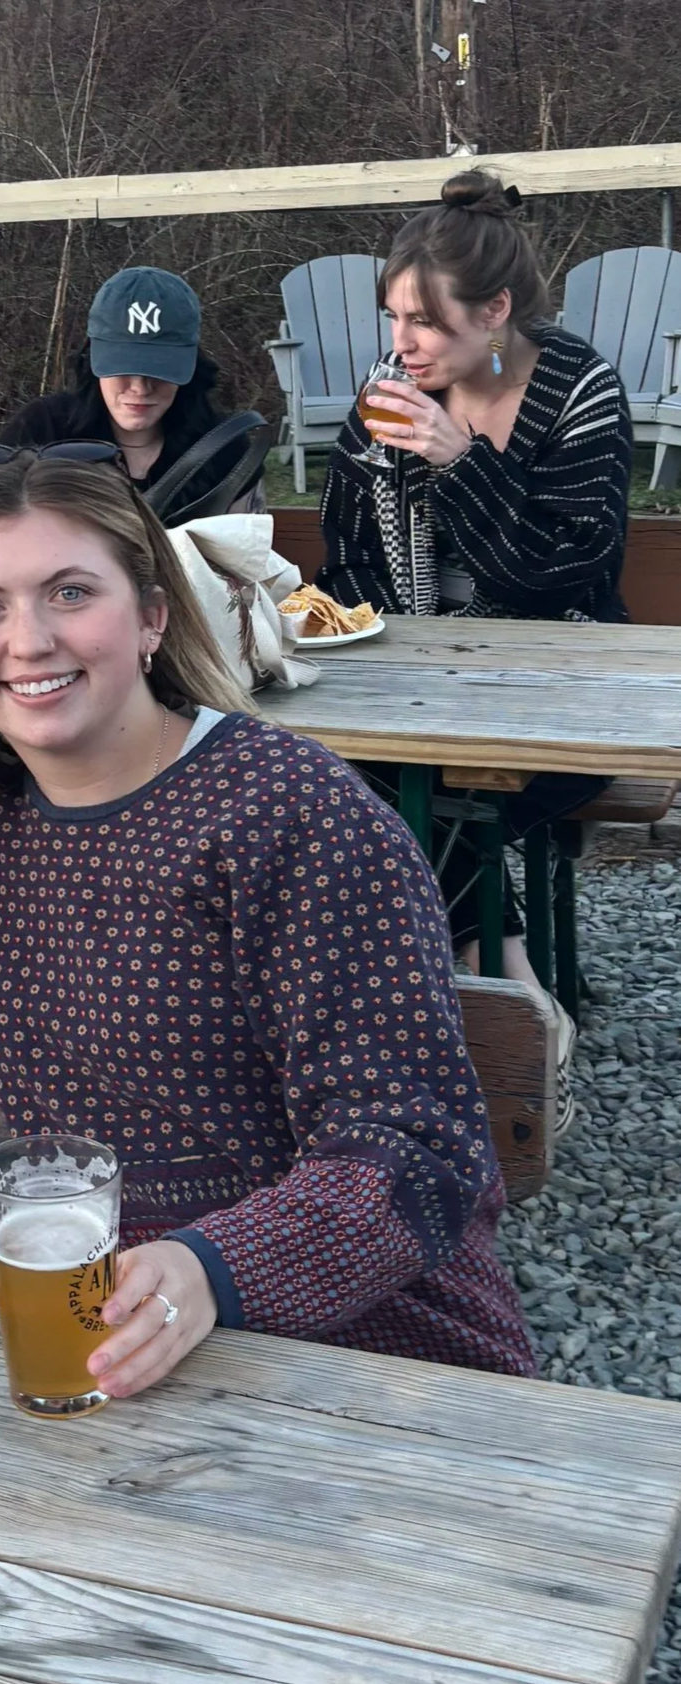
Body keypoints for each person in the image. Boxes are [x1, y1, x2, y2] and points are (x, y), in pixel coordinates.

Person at [0, 455, 535, 1395]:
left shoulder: (291, 816)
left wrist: (212, 1269)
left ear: (151, 616)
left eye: (71, 592)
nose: (30, 639)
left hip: (383, 1361)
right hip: (118, 1350)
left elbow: (418, 1148)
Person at [320, 168, 634, 1041]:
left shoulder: (580, 392)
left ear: (494, 312)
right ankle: (499, 972)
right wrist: (381, 645)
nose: (402, 342)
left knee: (422, 796)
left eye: (425, 320)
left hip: (566, 675)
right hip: (415, 672)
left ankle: (477, 984)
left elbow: (562, 577)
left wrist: (463, 460)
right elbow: (346, 549)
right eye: (394, 317)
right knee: (359, 774)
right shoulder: (394, 386)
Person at [0, 267, 265, 518]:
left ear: (190, 366)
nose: (139, 387)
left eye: (159, 370)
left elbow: (245, 552)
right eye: (121, 368)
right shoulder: (40, 431)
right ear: (93, 361)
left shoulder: (224, 446)